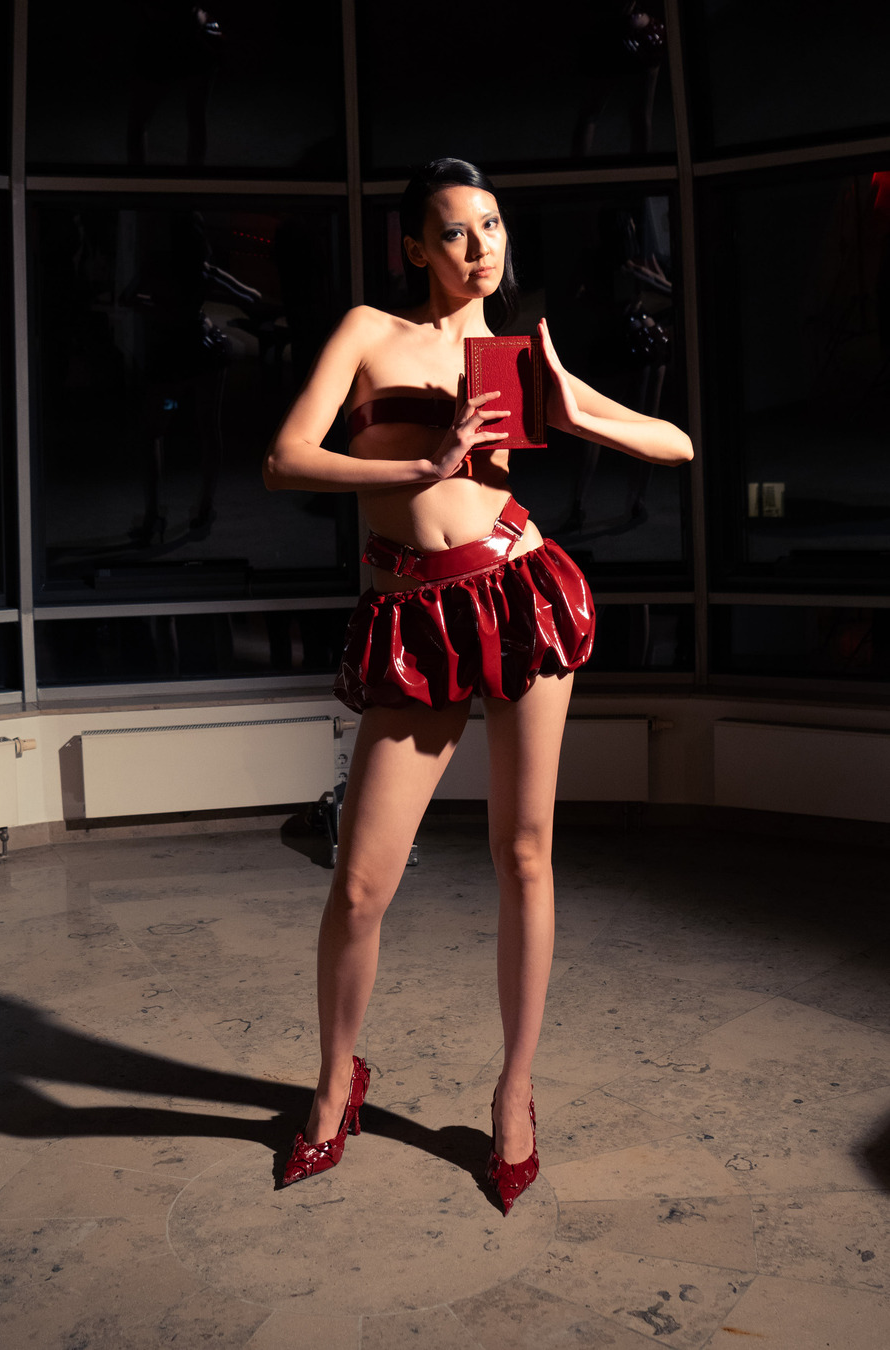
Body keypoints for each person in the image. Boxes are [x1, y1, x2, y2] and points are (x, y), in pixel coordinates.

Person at [263, 157, 692, 1213]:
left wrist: (575, 412)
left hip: (519, 591)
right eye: (454, 230)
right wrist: (420, 469)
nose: (478, 246)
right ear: (416, 246)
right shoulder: (370, 332)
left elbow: (678, 445)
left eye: (492, 225)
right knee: (360, 886)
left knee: (524, 854)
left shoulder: (516, 351)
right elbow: (286, 459)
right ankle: (336, 1085)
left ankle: (515, 1093)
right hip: (414, 616)